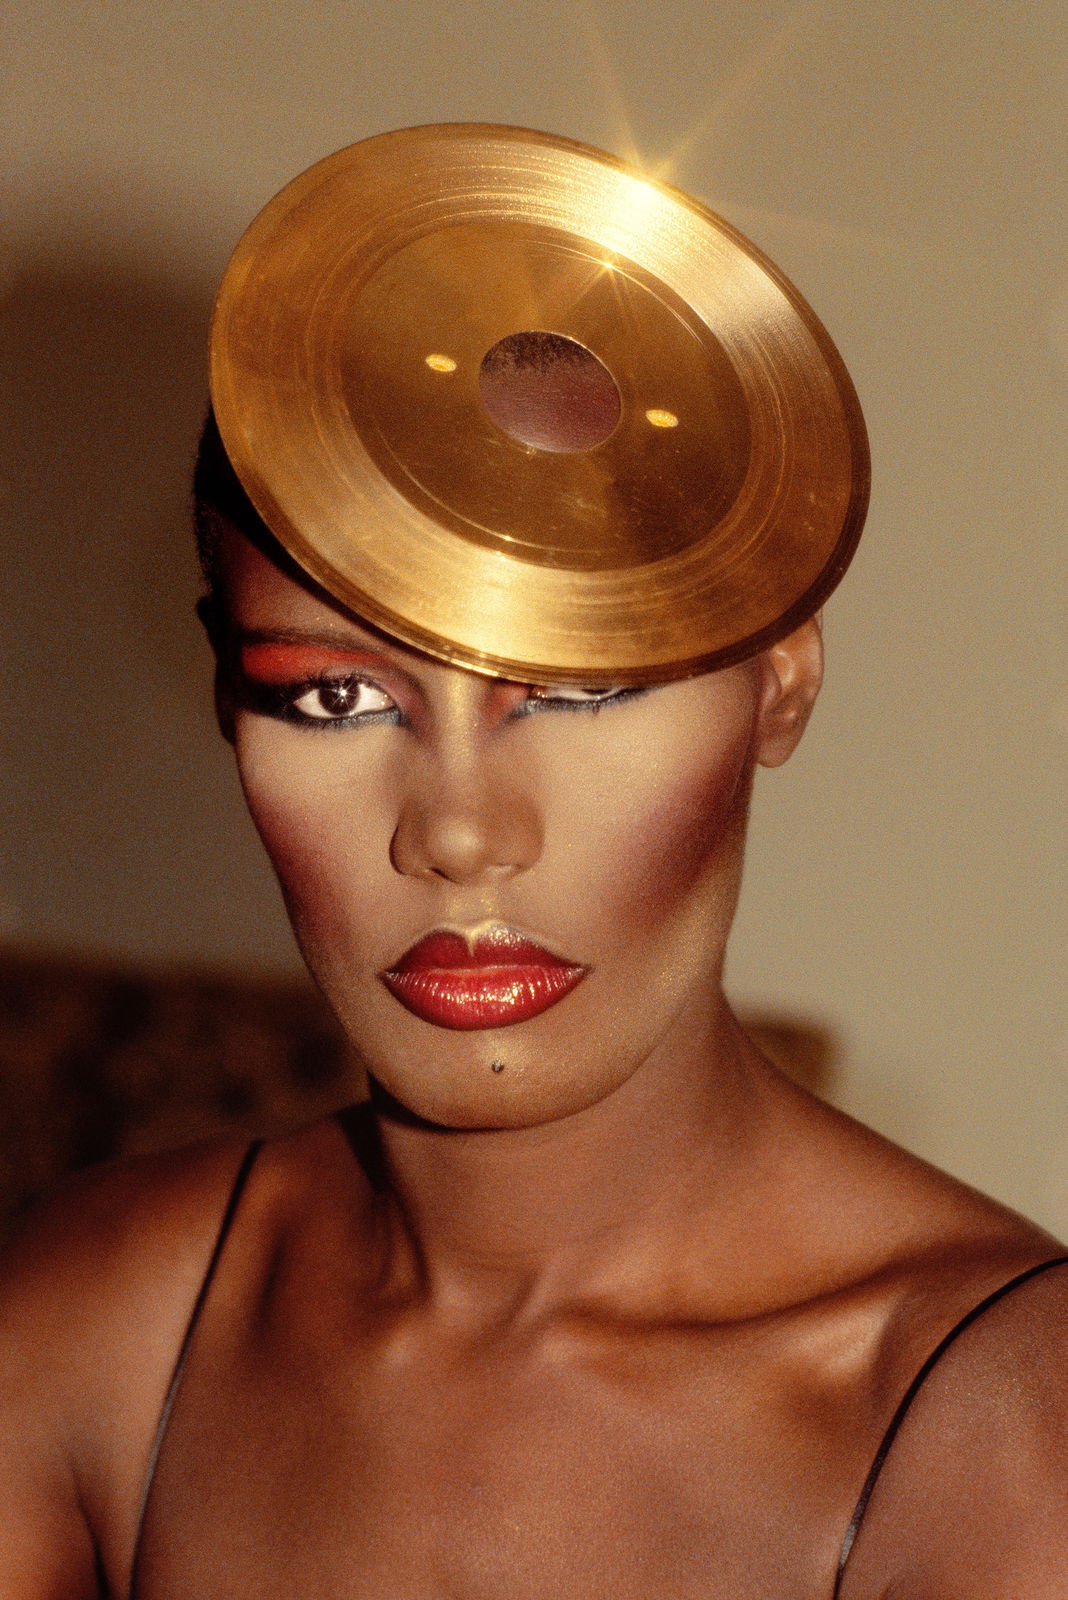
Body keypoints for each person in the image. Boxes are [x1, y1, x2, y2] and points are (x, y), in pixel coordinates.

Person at [1, 123, 1066, 1600]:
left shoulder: (1005, 1434)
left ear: (780, 682)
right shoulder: (88, 1332)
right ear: (224, 699)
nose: (457, 831)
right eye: (334, 697)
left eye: (573, 693)